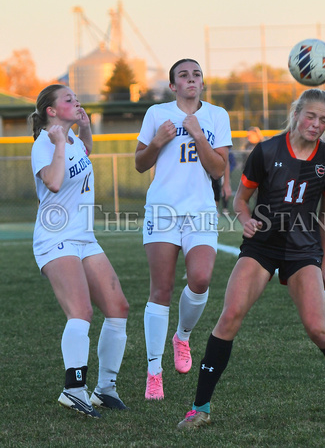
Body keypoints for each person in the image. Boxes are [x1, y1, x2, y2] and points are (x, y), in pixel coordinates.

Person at [177, 88, 325, 429]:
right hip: (261, 246)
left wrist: (322, 265)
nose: (316, 125)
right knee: (229, 317)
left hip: (303, 251)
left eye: (324, 120)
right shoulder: (267, 150)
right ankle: (200, 408)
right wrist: (245, 220)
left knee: (318, 328)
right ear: (297, 113)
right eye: (311, 116)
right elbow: (239, 201)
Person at [30, 85, 130, 418]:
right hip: (55, 238)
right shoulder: (45, 144)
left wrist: (84, 131)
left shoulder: (69, 141)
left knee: (118, 307)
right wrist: (59, 143)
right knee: (82, 311)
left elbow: (83, 154)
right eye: (68, 99)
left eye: (76, 97)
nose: (77, 101)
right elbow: (55, 182)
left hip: (84, 237)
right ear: (51, 112)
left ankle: (105, 389)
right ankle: (73, 389)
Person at [135, 59, 232, 400]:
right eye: (183, 75)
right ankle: (153, 373)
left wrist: (196, 134)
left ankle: (182, 336)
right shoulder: (156, 114)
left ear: (202, 83)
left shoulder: (217, 116)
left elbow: (219, 169)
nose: (191, 79)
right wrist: (159, 141)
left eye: (196, 74)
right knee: (160, 291)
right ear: (173, 85)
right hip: (162, 210)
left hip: (200, 210)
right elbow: (140, 163)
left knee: (201, 278)